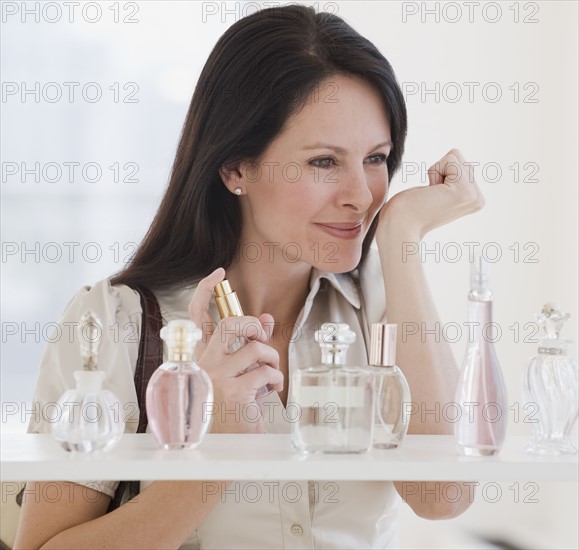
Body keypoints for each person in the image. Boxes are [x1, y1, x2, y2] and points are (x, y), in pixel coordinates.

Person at [14, 4, 484, 549]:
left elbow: (444, 496)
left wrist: (401, 237)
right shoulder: (114, 320)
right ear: (236, 167)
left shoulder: (383, 306)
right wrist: (215, 450)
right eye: (324, 162)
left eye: (376, 158)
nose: (361, 195)